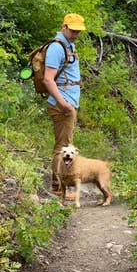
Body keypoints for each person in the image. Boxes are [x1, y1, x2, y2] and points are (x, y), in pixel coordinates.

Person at [44, 13, 86, 197]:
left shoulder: (68, 45)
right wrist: (63, 104)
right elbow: (48, 79)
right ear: (64, 27)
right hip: (62, 104)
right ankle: (57, 188)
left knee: (65, 144)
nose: (76, 34)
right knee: (63, 147)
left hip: (68, 102)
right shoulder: (57, 47)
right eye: (73, 30)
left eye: (78, 31)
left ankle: (60, 187)